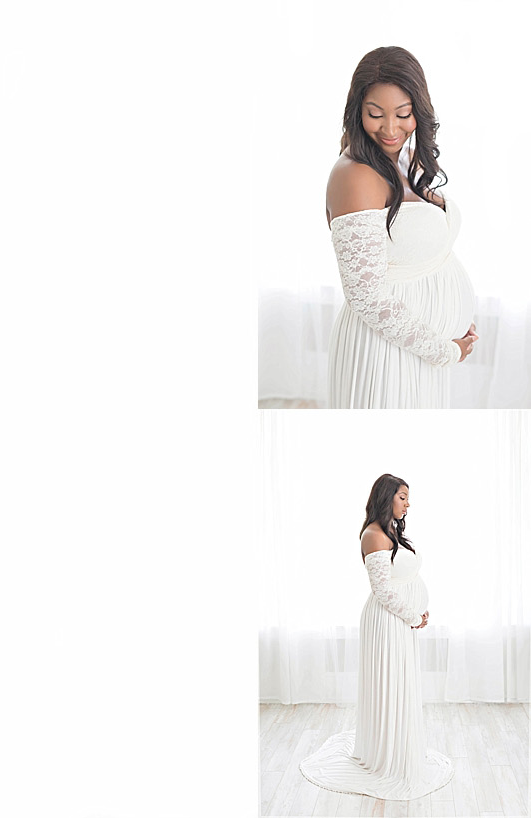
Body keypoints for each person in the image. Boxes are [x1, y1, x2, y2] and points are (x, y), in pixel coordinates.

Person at [325, 46, 477, 409]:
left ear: (419, 111)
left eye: (403, 114)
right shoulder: (355, 176)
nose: (390, 129)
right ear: (357, 111)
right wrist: (443, 350)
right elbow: (367, 297)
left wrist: (454, 324)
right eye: (375, 114)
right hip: (384, 356)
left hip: (418, 351)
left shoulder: (404, 159)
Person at [299, 474, 452, 800]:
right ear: (386, 498)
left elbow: (402, 577)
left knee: (400, 684)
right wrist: (413, 615)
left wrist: (416, 613)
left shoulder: (391, 531)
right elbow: (382, 591)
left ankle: (398, 747)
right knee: (389, 684)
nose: (408, 503)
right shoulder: (373, 534)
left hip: (401, 622)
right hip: (388, 622)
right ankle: (386, 757)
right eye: (402, 497)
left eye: (408, 497)